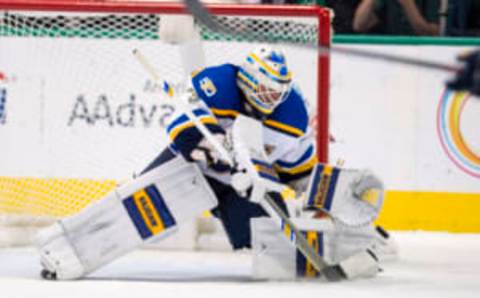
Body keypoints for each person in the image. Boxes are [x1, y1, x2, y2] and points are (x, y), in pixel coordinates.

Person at [36, 46, 390, 281]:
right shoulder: (218, 82)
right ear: (247, 80)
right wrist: (215, 151)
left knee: (269, 244)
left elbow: (295, 172)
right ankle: (62, 248)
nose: (271, 100)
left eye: (276, 94)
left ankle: (357, 244)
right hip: (189, 169)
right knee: (136, 208)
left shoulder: (290, 114)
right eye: (265, 92)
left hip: (246, 188)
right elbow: (182, 134)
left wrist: (319, 190)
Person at [353, 0, 440, 36]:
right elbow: (359, 25)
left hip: (422, 56)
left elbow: (433, 34)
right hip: (391, 55)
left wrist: (407, 4)